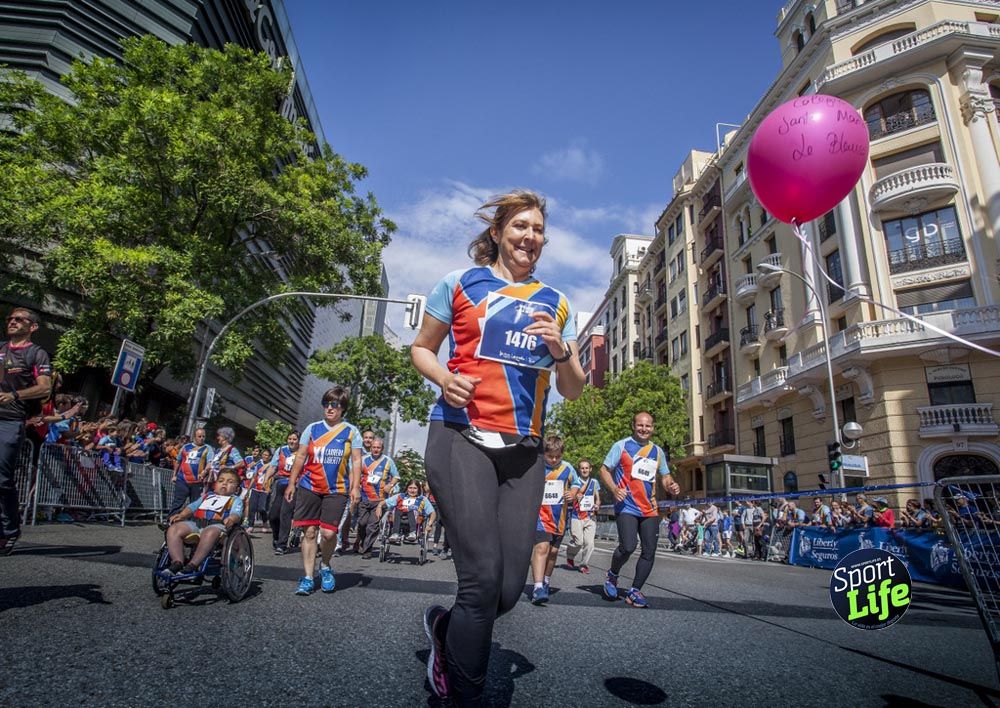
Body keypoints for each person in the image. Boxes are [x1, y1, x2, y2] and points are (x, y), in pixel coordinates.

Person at [410, 190, 584, 703]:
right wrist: (444, 377)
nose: (530, 236)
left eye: (537, 230)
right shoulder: (460, 283)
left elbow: (572, 388)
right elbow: (422, 348)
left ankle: (446, 633)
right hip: (460, 434)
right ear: (497, 233)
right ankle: (464, 692)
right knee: (481, 583)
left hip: (523, 452)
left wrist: (561, 349)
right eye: (519, 226)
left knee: (507, 591)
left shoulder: (557, 302)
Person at [284, 387, 362, 595]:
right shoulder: (312, 429)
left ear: (342, 409)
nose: (329, 408)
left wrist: (355, 488)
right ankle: (308, 577)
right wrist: (292, 483)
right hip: (309, 486)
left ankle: (325, 566)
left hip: (337, 489)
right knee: (309, 532)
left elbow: (356, 461)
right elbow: (300, 457)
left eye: (334, 405)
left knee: (328, 534)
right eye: (326, 404)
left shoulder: (351, 431)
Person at [599, 412, 680, 607]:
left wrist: (671, 485)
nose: (644, 429)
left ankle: (635, 590)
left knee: (649, 551)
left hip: (649, 508)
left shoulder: (657, 451)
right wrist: (614, 489)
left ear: (653, 428)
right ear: (633, 426)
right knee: (628, 546)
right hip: (626, 505)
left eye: (648, 426)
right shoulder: (621, 446)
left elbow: (665, 476)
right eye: (640, 425)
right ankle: (612, 575)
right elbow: (603, 469)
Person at [0, 307, 52, 554]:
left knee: (2, 479)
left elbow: (45, 388)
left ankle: (9, 529)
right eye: (10, 318)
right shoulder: (1, 350)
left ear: (32, 327)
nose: (12, 322)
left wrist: (14, 395)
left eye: (19, 319)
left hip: (11, 420)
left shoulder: (36, 354)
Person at [162, 468, 243, 576]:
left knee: (209, 532)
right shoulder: (207, 496)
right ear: (215, 485)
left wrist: (231, 519)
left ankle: (192, 565)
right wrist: (181, 515)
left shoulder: (235, 500)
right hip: (197, 524)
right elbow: (192, 507)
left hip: (218, 526)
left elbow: (236, 514)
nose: (224, 483)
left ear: (237, 489)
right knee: (173, 529)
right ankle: (177, 562)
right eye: (221, 481)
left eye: (230, 482)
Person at [529, 436, 581, 605]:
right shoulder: (537, 467)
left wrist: (572, 493)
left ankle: (546, 581)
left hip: (559, 518)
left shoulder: (567, 468)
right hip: (539, 516)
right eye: (550, 456)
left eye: (557, 456)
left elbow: (576, 484)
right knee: (542, 547)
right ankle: (537, 587)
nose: (553, 459)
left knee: (553, 552)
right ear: (544, 453)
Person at [357, 437, 398, 558]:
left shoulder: (388, 461)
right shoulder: (363, 460)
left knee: (372, 525)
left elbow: (396, 476)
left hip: (379, 500)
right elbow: (355, 474)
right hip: (364, 498)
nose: (375, 449)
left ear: (382, 448)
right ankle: (364, 542)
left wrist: (390, 485)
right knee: (362, 523)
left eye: (378, 447)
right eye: (374, 447)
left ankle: (367, 550)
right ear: (371, 448)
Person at [565, 457, 601, 573]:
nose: (584, 470)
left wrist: (597, 504)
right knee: (578, 542)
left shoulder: (594, 482)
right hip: (576, 516)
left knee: (589, 543)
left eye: (587, 468)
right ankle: (570, 555)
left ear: (590, 469)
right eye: (582, 468)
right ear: (579, 470)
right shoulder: (575, 482)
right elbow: (570, 498)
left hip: (590, 517)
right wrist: (576, 496)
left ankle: (583, 564)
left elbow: (598, 498)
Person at [377, 480, 437, 546]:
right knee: (397, 510)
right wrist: (379, 506)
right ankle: (395, 534)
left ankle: (412, 533)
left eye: (415, 488)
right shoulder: (400, 496)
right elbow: (384, 502)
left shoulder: (423, 499)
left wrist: (429, 525)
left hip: (415, 518)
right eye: (410, 488)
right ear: (407, 488)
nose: (412, 490)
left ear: (418, 489)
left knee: (410, 510)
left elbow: (433, 513)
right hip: (398, 516)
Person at [268, 431, 299, 554]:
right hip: (279, 483)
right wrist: (266, 479)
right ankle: (276, 537)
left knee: (285, 514)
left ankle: (282, 544)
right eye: (290, 439)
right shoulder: (281, 450)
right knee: (273, 515)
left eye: (294, 439)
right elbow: (273, 466)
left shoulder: (303, 452)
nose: (291, 441)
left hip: (294, 485)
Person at [170, 427, 213, 515]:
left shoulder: (207, 448)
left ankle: (192, 524)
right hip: (182, 480)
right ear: (195, 437)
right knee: (177, 502)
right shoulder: (186, 447)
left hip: (197, 482)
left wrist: (204, 472)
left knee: (195, 505)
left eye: (203, 436)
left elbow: (210, 463)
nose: (202, 438)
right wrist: (174, 475)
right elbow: (178, 461)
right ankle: (169, 520)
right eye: (199, 436)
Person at [244, 448, 273, 530]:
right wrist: (249, 489)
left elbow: (272, 478)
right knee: (252, 507)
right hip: (255, 489)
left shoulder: (271, 466)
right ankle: (250, 525)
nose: (264, 456)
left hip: (264, 490)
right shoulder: (258, 464)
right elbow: (254, 477)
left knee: (261, 508)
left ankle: (264, 522)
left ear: (269, 457)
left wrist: (270, 488)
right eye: (263, 455)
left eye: (266, 455)